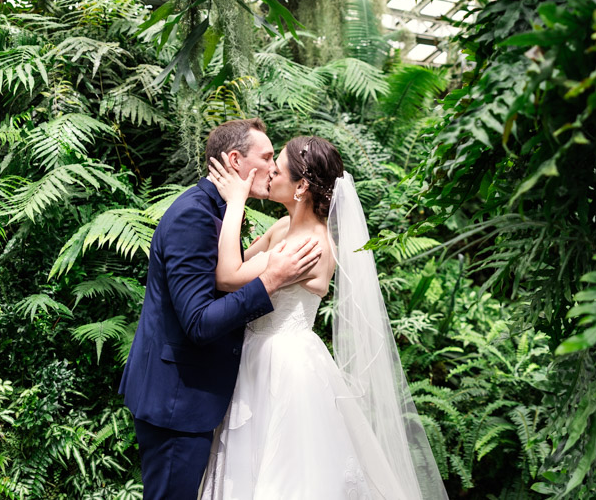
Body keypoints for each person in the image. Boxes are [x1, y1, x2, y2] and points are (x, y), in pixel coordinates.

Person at [200, 136, 448, 499]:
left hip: (285, 366)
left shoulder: (310, 247)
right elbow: (226, 272)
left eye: (278, 167)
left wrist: (236, 202)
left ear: (301, 186)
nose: (269, 172)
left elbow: (227, 275)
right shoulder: (281, 230)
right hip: (253, 356)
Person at [119, 119, 323, 500]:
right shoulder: (193, 215)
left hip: (206, 398)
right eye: (266, 157)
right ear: (235, 160)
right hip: (177, 403)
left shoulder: (224, 209)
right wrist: (271, 281)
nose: (273, 167)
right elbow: (198, 322)